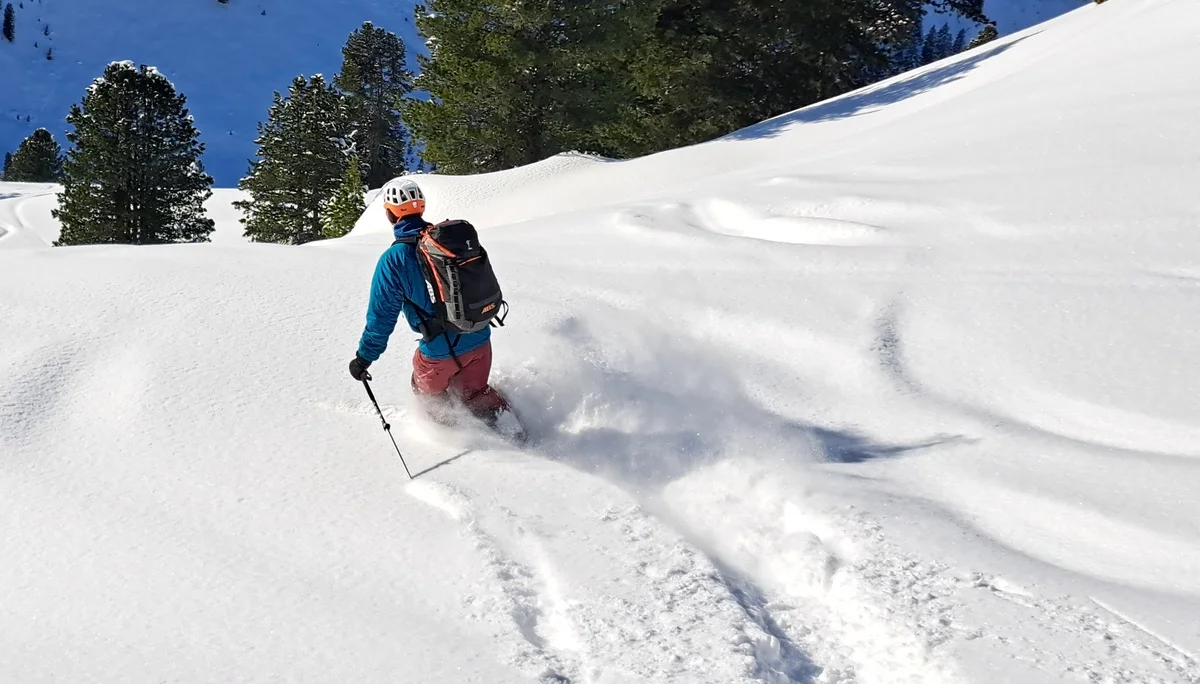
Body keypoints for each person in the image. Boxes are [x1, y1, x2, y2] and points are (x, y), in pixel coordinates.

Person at [348, 179, 508, 424]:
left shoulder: (394, 259)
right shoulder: (447, 242)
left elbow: (381, 317)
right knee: (476, 394)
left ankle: (454, 441)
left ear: (390, 214)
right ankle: (518, 431)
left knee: (427, 394)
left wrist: (364, 358)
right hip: (480, 339)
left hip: (438, 354)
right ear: (420, 208)